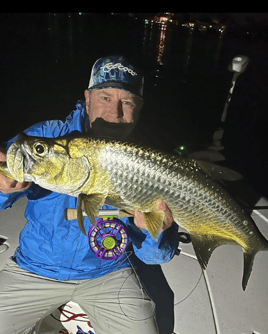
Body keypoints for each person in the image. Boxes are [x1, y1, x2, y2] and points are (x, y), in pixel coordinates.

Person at [0, 55, 179, 334]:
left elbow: (156, 257)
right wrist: (1, 186)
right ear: (87, 98)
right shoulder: (47, 137)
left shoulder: (148, 163)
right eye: (105, 97)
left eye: (127, 102)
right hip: (34, 268)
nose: (115, 112)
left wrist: (153, 232)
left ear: (139, 108)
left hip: (109, 273)